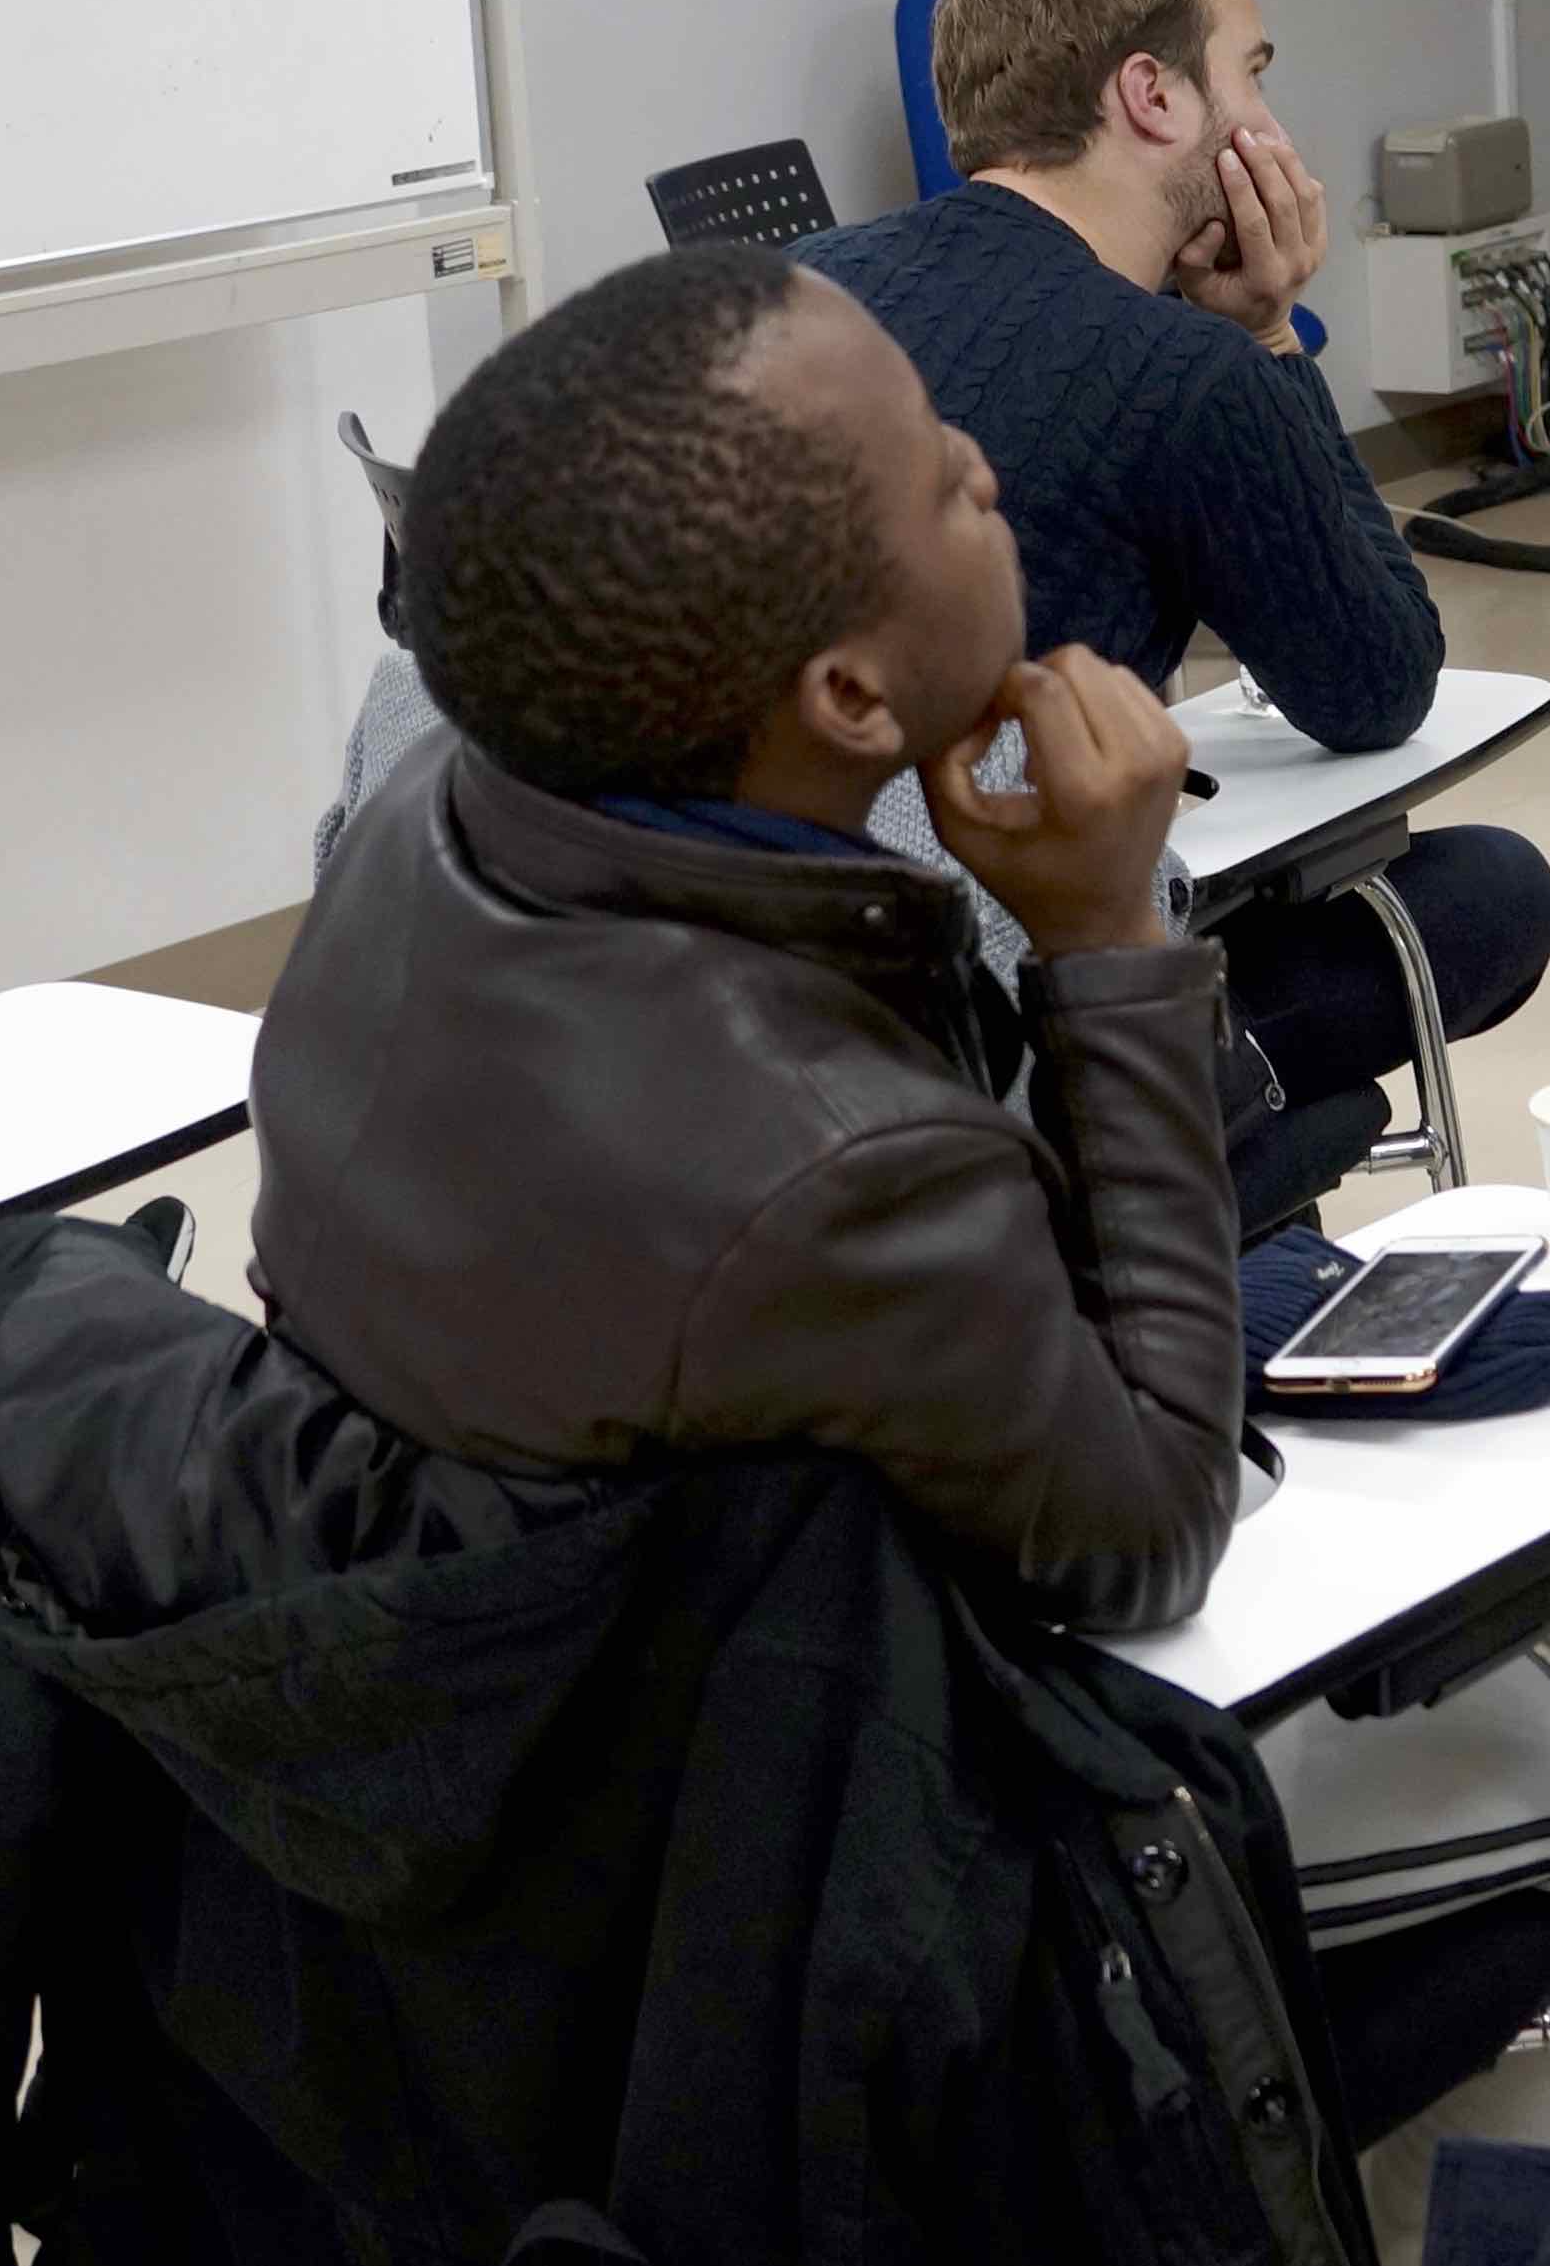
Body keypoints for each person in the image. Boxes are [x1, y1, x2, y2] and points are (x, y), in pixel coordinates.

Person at [251, 246, 1241, 1635]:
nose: (982, 466)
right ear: (851, 698)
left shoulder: (420, 806)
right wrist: (1105, 938)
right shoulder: (845, 1166)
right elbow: (1148, 1535)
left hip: (470, 1623)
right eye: (938, 477)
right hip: (740, 1717)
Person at [801, 0, 1550, 1191]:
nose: (1269, 125)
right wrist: (1266, 338)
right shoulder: (1179, 372)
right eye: (1250, 74)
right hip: (1000, 1029)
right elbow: (1375, 685)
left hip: (745, 976)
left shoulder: (794, 279)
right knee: (1492, 894)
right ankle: (1204, 1119)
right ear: (1152, 96)